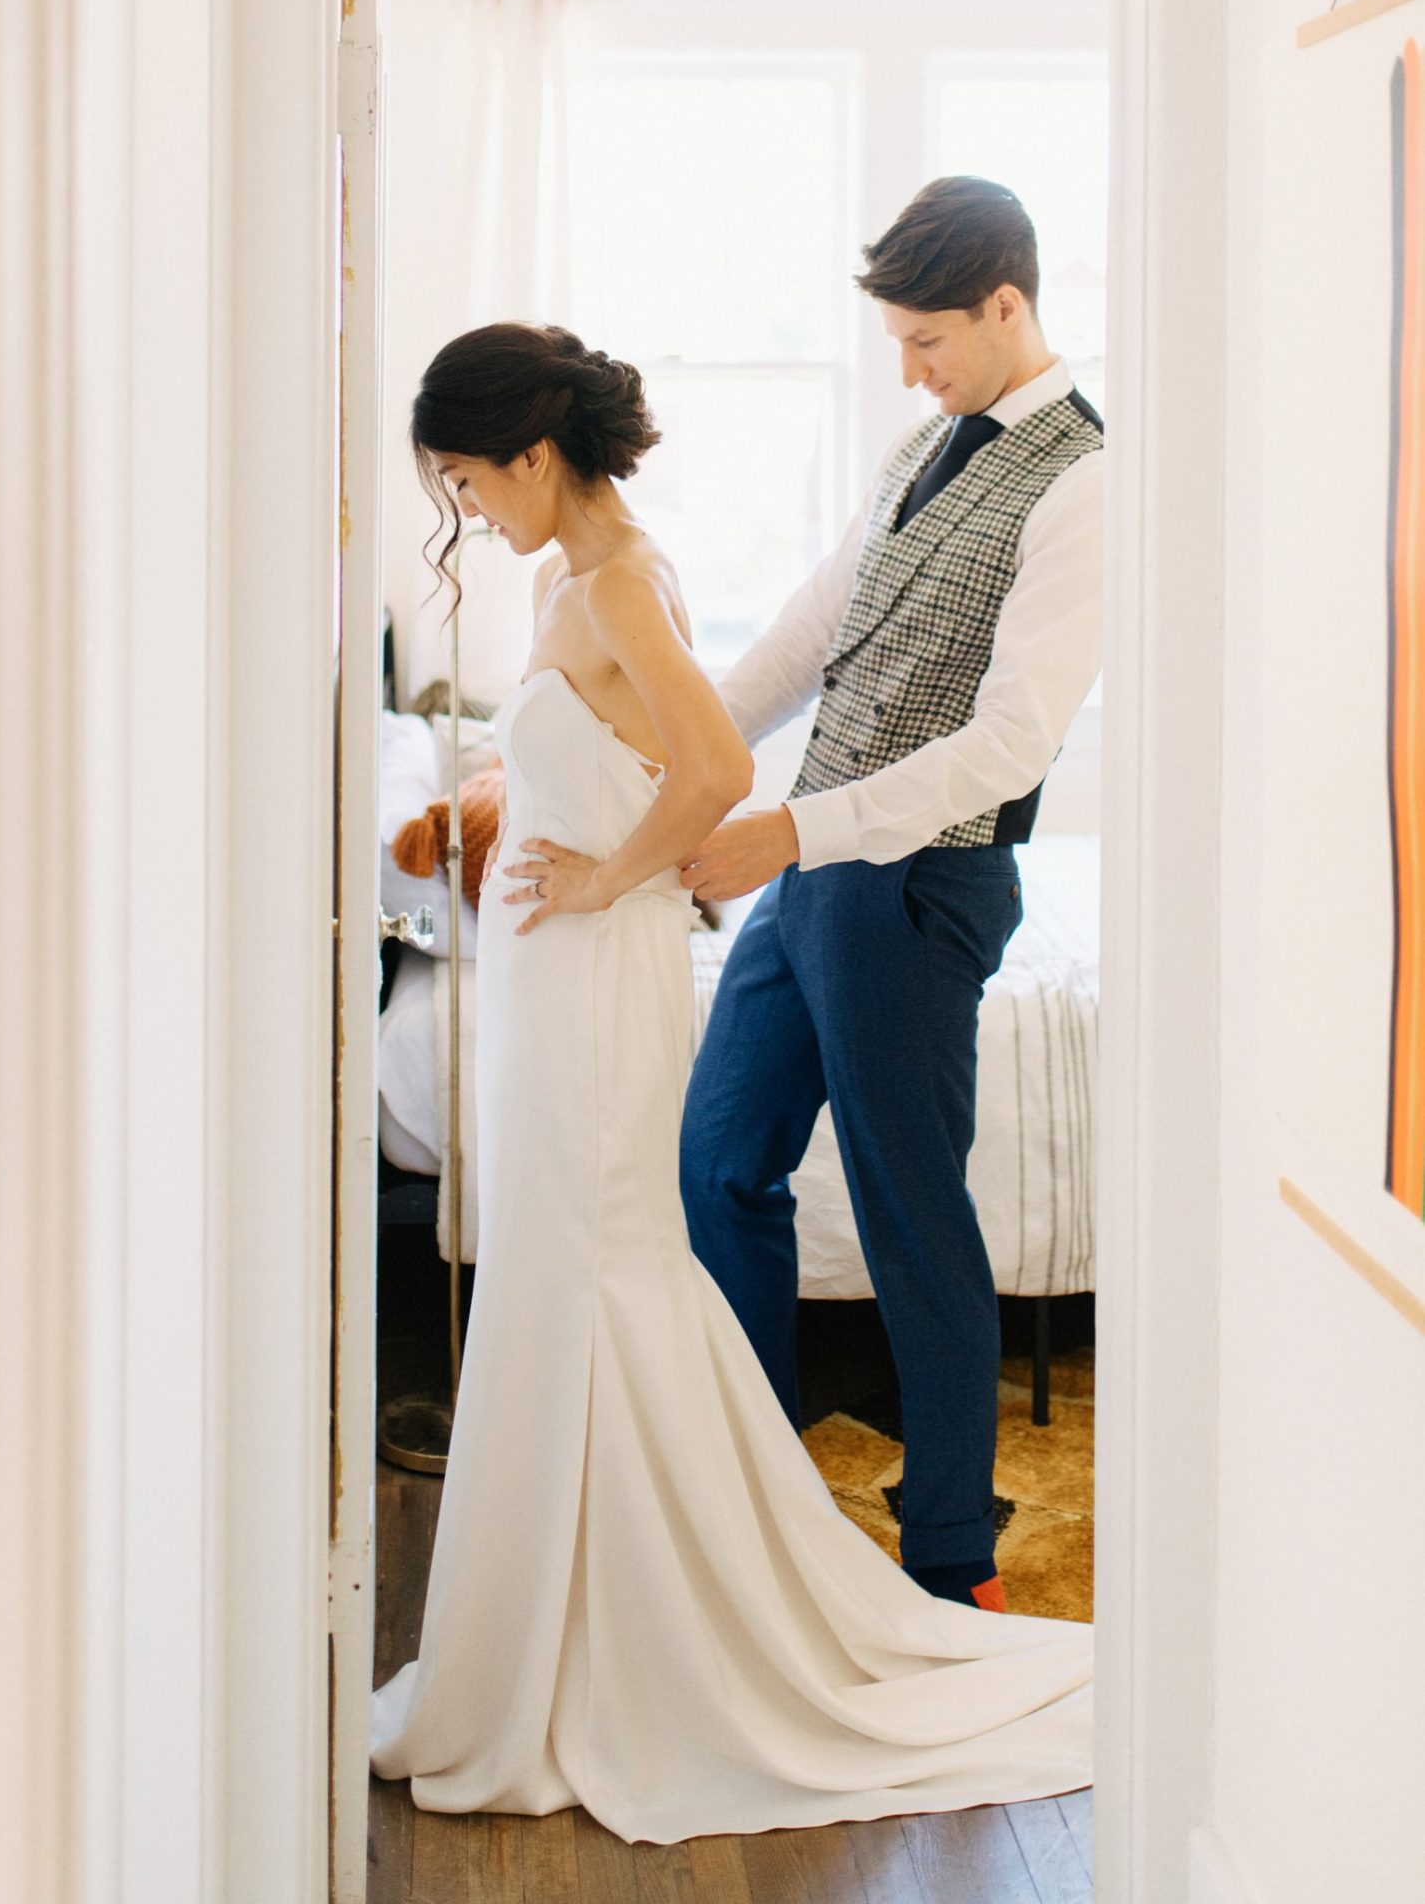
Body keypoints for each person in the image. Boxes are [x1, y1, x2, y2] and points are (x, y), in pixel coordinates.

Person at [370, 318, 1092, 1846]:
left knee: (607, 1266)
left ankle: (652, 1626)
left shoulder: (617, 575)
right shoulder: (586, 574)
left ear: (531, 451)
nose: (470, 517)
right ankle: (582, 1617)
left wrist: (608, 884)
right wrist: (537, 818)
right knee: (580, 1271)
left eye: (467, 482)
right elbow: (629, 748)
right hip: (561, 991)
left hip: (596, 978)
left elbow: (708, 772)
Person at [678, 176, 1104, 1616]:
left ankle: (948, 1556)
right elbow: (814, 624)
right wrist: (682, 757)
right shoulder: (921, 440)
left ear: (1007, 304)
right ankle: (751, 1491)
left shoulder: (1088, 483)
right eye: (897, 348)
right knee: (719, 1163)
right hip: (811, 864)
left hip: (916, 886)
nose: (912, 372)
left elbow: (1008, 744)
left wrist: (786, 834)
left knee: (908, 1209)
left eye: (930, 341)